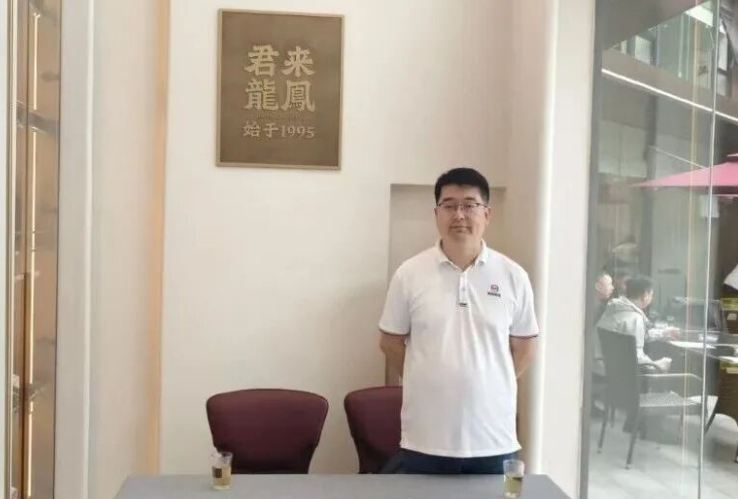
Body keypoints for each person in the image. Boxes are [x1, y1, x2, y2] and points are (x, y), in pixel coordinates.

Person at [378, 167, 539, 475]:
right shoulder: (409, 274)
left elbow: (526, 348)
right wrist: (426, 376)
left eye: (469, 205)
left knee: (501, 496)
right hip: (426, 439)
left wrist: (491, 381)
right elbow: (390, 343)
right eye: (449, 205)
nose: (459, 215)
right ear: (436, 214)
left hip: (494, 439)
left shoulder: (513, 276)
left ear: (487, 214)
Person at [596, 275, 671, 371]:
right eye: (651, 294)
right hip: (622, 372)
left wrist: (663, 333)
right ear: (645, 296)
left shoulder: (614, 309)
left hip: (603, 367)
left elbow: (634, 338)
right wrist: (657, 365)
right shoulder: (634, 318)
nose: (651, 298)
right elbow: (637, 358)